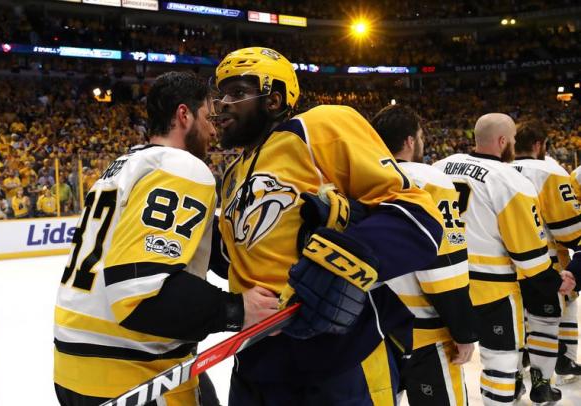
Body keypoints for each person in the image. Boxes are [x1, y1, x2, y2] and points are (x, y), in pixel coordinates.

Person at [213, 47, 445, 405]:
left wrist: (344, 258)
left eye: (237, 92)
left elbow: (419, 219)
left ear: (274, 100)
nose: (222, 104)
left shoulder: (318, 127)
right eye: (221, 94)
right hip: (257, 362)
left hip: (339, 355)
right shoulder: (232, 173)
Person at [53, 71, 278, 406]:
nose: (214, 129)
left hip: (77, 366)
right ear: (183, 115)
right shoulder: (181, 166)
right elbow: (139, 291)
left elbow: (189, 245)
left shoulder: (124, 164)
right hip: (134, 374)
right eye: (206, 117)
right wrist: (237, 309)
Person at [434, 113, 575, 405]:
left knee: (444, 361)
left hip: (443, 282)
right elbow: (529, 252)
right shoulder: (510, 180)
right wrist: (552, 279)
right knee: (501, 363)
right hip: (493, 288)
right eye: (510, 140)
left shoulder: (439, 167)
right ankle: (536, 383)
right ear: (502, 142)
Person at [371, 104, 478, 405]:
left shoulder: (355, 179)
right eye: (420, 136)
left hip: (370, 328)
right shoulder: (430, 181)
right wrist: (463, 330)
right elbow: (444, 268)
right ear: (409, 141)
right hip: (423, 330)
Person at [511, 120, 581, 385]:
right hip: (544, 262)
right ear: (539, 145)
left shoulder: (499, 168)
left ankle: (514, 379)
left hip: (501, 267)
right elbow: (570, 229)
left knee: (514, 323)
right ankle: (559, 365)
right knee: (556, 313)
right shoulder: (550, 172)